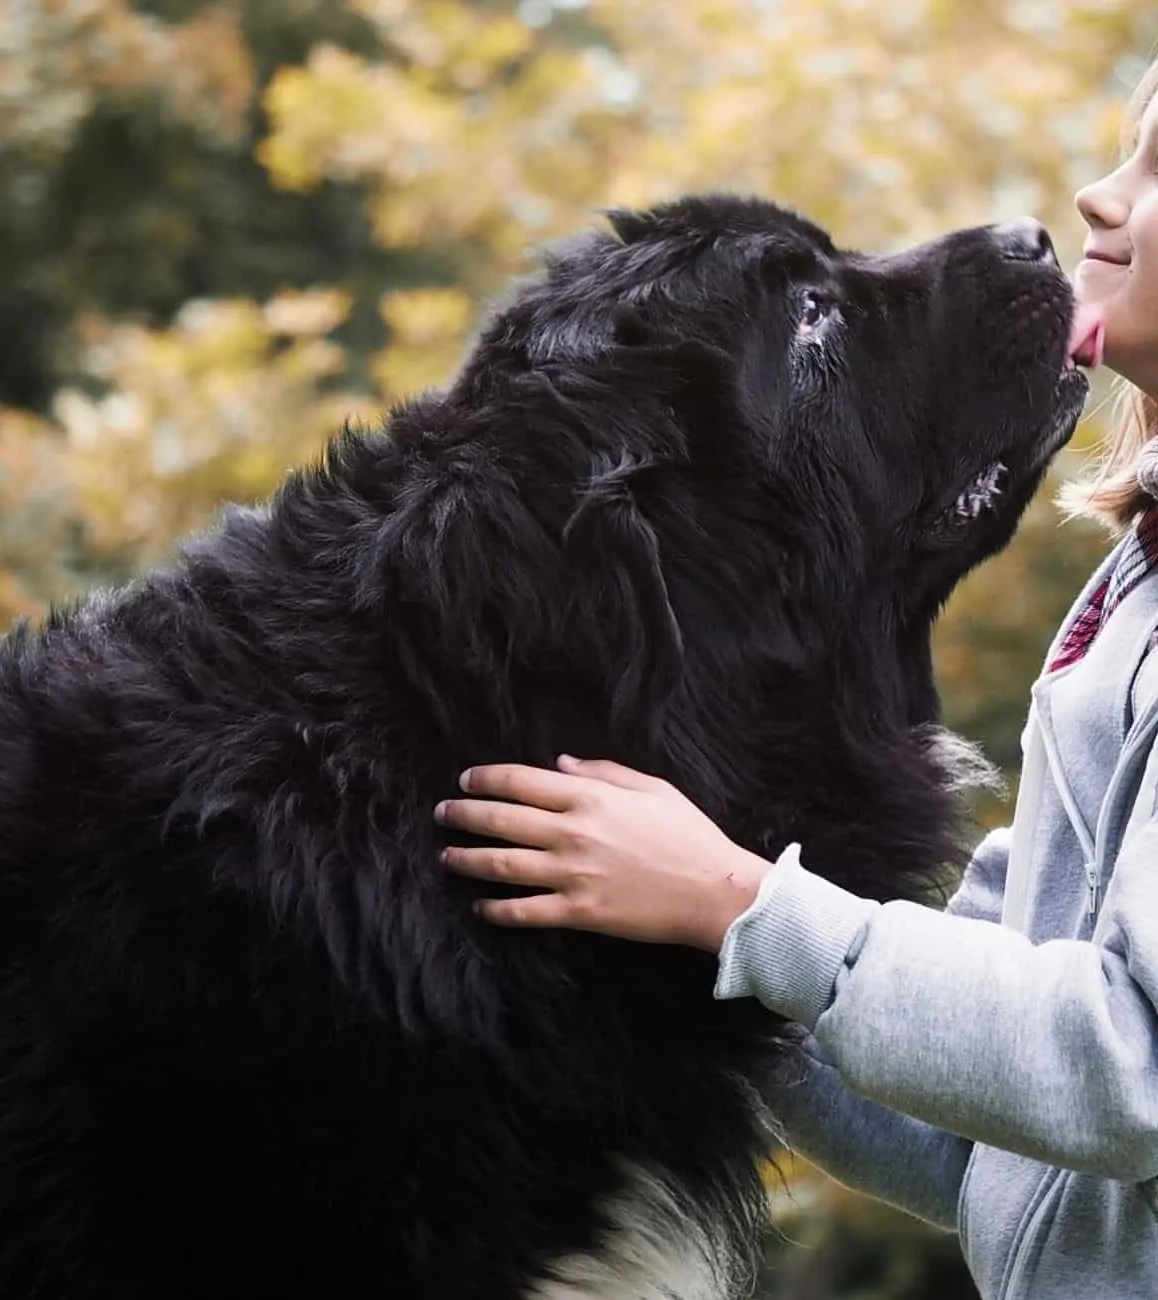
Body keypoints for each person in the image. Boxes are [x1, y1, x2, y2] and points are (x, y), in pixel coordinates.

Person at [433, 56, 1158, 1299]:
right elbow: (973, 1133)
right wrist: (673, 956)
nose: (1096, 197)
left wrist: (736, 906)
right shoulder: (1130, 591)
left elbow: (1129, 1067)